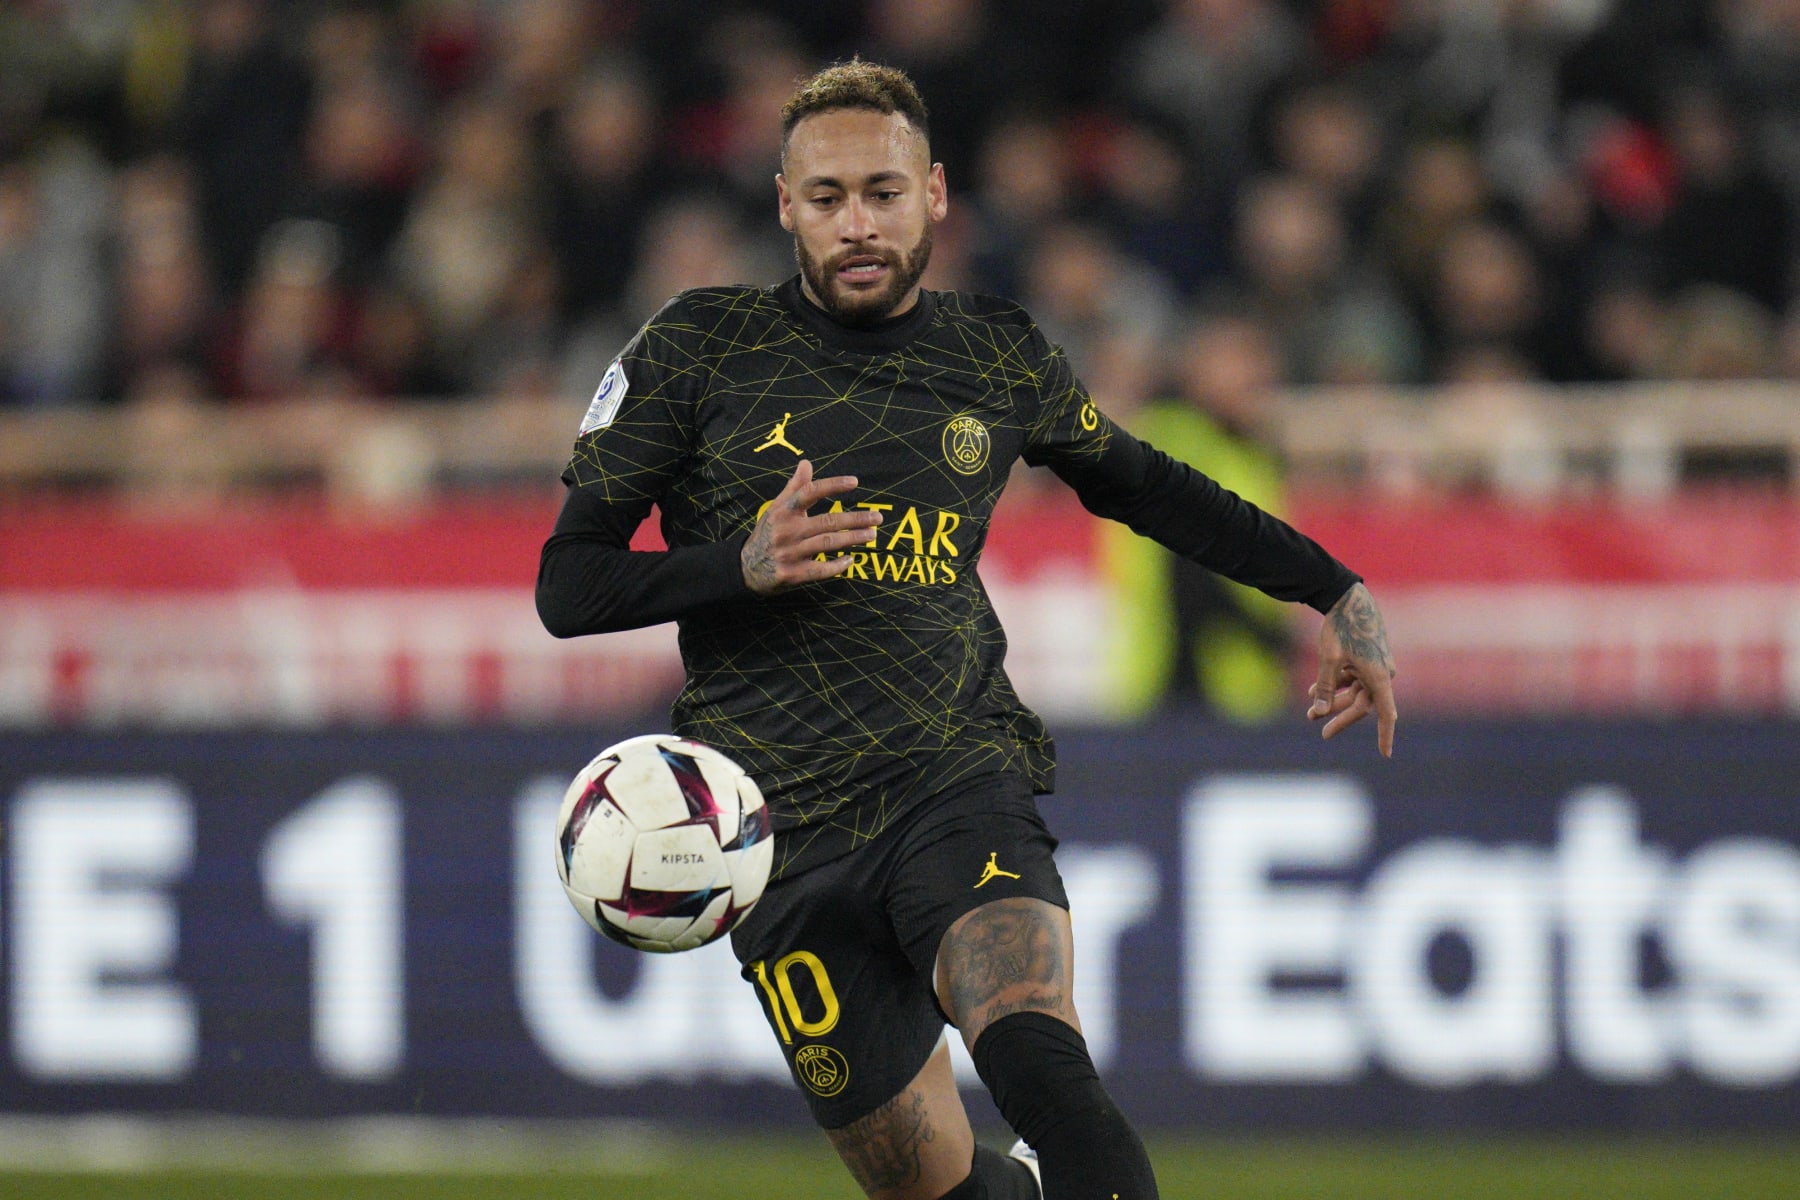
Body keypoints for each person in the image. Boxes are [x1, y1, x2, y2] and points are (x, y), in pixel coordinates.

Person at [536, 60, 1397, 1200]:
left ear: (936, 194)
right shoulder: (697, 350)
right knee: (930, 1183)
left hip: (954, 776)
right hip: (777, 830)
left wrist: (1334, 588)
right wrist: (735, 567)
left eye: (883, 193)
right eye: (829, 195)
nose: (858, 223)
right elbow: (569, 585)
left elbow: (1148, 484)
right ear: (785, 204)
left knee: (1039, 1053)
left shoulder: (992, 355)